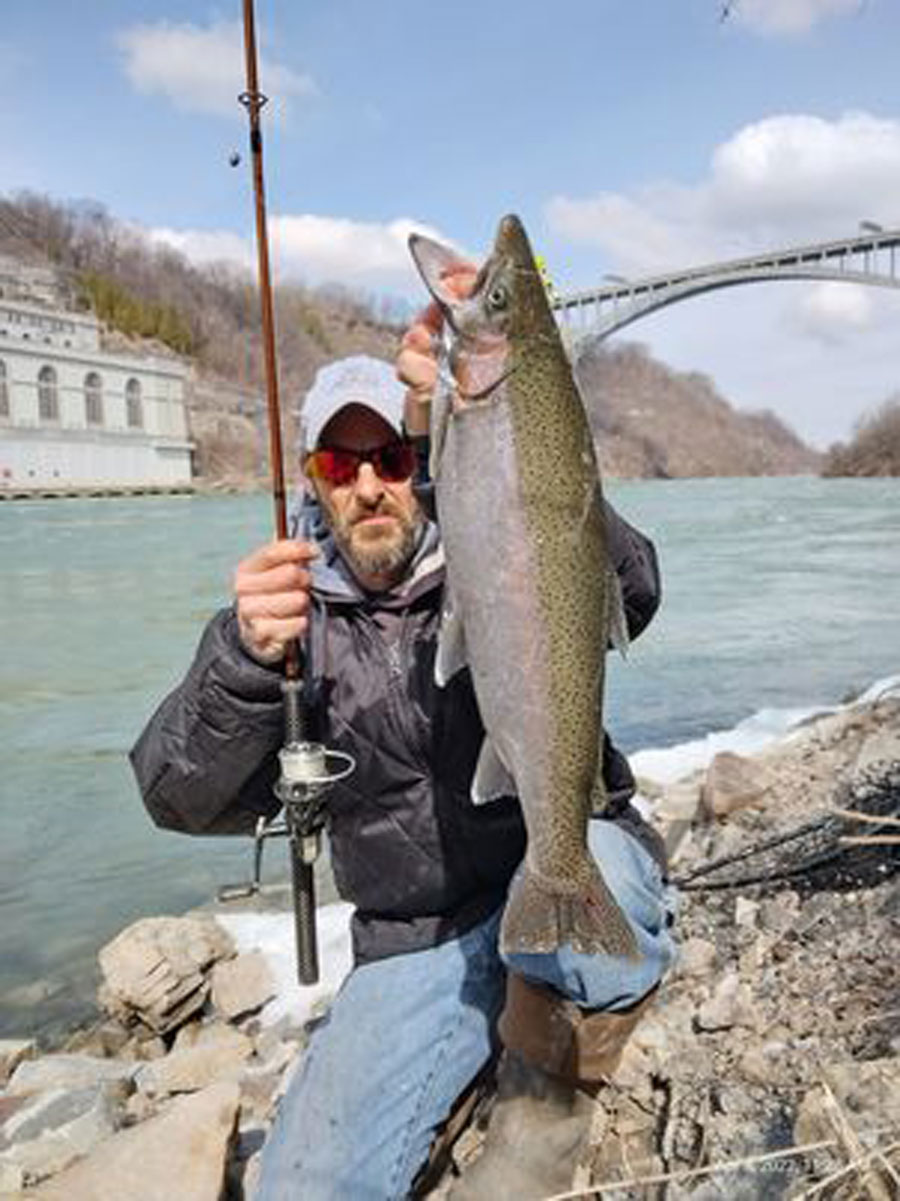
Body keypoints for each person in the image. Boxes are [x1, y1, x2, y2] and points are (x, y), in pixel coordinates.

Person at [131, 294, 675, 1199]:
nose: (368, 485)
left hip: (553, 847)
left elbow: (633, 586)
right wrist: (239, 658)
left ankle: (545, 1099)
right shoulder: (288, 627)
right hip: (414, 936)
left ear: (419, 460)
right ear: (314, 481)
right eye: (340, 464)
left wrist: (510, 420)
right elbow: (174, 795)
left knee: (601, 892)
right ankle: (496, 1022)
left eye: (387, 456)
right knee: (304, 1187)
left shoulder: (489, 530)